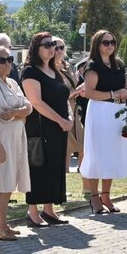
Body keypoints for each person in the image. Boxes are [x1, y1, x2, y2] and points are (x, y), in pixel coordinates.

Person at [80, 30, 127, 213]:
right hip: (100, 111)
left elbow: (123, 86)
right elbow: (89, 92)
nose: (110, 46)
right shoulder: (92, 66)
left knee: (112, 153)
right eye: (106, 42)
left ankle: (106, 195)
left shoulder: (118, 64)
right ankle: (94, 197)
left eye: (112, 42)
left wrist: (125, 93)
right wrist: (113, 94)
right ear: (97, 44)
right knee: (98, 153)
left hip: (118, 111)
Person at [21, 32, 71, 226]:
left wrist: (67, 118)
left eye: (53, 44)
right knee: (39, 167)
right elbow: (36, 102)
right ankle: (32, 211)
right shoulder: (30, 71)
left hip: (59, 128)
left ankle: (49, 209)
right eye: (47, 45)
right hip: (40, 128)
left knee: (55, 166)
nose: (52, 48)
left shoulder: (55, 70)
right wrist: (60, 120)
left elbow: (64, 97)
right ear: (36, 49)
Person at [0, 46, 33, 240]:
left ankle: (0, 222)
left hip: (17, 134)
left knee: (12, 176)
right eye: (2, 60)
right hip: (2, 136)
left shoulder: (12, 82)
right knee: (3, 179)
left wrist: (16, 112)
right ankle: (2, 228)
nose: (7, 64)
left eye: (9, 59)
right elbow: (1, 110)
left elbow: (29, 106)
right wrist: (19, 111)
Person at [53, 36, 86, 183]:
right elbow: (61, 93)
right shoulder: (51, 69)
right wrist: (76, 91)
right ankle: (64, 177)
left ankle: (83, 175)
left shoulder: (67, 66)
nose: (59, 50)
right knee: (66, 146)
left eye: (61, 47)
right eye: (56, 47)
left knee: (82, 144)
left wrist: (79, 91)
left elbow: (72, 87)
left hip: (74, 108)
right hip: (62, 109)